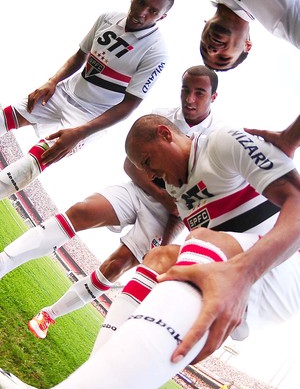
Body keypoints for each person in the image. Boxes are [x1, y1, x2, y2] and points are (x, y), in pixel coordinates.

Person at [0, 114, 299, 388]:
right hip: (240, 269)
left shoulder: (221, 142)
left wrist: (244, 273)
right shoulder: (181, 196)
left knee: (201, 241)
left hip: (282, 264)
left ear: (165, 134)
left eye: (147, 161)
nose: (150, 173)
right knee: (159, 258)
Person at [0, 65, 219, 340]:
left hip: (169, 217)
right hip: (143, 190)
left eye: (199, 93)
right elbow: (130, 165)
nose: (189, 99)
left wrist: (168, 234)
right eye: (185, 90)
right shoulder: (161, 117)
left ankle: (49, 315)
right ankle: (3, 263)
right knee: (82, 211)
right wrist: (162, 194)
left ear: (213, 97)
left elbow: (197, 199)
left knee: (116, 267)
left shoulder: (216, 139)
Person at [0, 0, 174, 199]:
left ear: (162, 17)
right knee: (3, 118)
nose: (142, 12)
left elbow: (130, 104)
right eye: (141, 2)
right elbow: (80, 55)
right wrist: (52, 81)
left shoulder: (157, 51)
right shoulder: (108, 17)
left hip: (88, 118)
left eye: (153, 11)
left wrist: (82, 133)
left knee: (34, 163)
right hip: (64, 92)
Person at [200, 0, 300, 71]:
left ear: (205, 24)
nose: (211, 51)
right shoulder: (279, 18)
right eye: (223, 58)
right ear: (247, 45)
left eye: (204, 49)